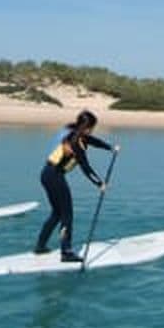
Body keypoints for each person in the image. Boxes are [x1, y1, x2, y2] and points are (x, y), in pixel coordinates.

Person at [34, 110, 117, 262]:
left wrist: (110, 148)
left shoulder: (74, 133)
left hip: (46, 174)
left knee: (57, 213)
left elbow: (93, 141)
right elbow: (85, 168)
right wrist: (99, 184)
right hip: (55, 177)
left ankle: (40, 246)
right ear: (86, 127)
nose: (92, 131)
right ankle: (66, 252)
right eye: (92, 128)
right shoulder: (75, 143)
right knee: (67, 215)